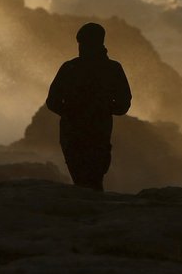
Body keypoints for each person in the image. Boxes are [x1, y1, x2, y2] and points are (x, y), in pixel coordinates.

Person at [46, 22, 131, 191]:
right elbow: (123, 105)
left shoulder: (70, 67)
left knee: (82, 179)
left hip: (74, 133)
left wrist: (71, 112)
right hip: (96, 132)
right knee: (93, 179)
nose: (81, 47)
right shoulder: (112, 68)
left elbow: (52, 102)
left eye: (83, 43)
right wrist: (103, 108)